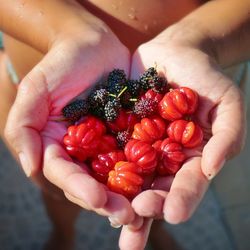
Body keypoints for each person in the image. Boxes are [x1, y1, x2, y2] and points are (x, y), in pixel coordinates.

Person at [0, 0, 249, 249]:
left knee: (158, 199)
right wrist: (71, 30)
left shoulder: (154, 119)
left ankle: (155, 229)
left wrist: (199, 39)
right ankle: (64, 235)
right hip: (48, 98)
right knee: (56, 190)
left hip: (197, 69)